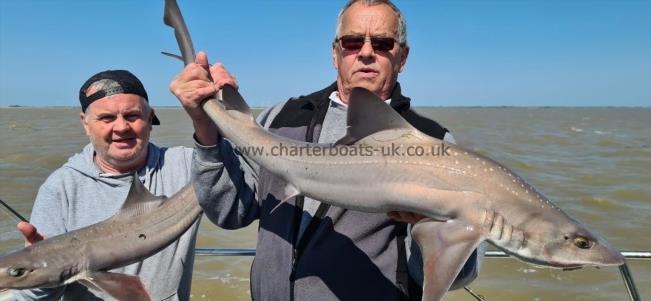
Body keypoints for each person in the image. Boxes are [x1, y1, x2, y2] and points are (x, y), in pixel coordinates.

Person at [171, 0, 483, 300]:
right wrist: (205, 128)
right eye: (351, 42)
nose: (365, 53)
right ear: (335, 53)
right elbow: (231, 211)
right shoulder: (282, 118)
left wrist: (433, 226)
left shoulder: (433, 143)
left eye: (382, 43)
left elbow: (451, 278)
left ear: (402, 57)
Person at [11, 70, 199, 301]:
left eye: (132, 116)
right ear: (86, 123)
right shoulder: (60, 189)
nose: (121, 127)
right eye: (107, 118)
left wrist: (221, 105)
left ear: (150, 119)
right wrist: (43, 275)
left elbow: (239, 179)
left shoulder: (187, 166)